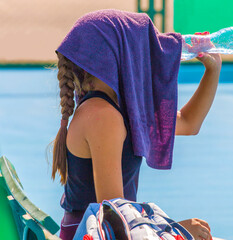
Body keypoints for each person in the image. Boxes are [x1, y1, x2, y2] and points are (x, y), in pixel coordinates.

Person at [51, 9, 221, 240]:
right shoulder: (102, 116)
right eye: (143, 49)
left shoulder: (117, 109)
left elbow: (190, 123)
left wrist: (213, 70)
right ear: (124, 55)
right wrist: (176, 228)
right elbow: (114, 218)